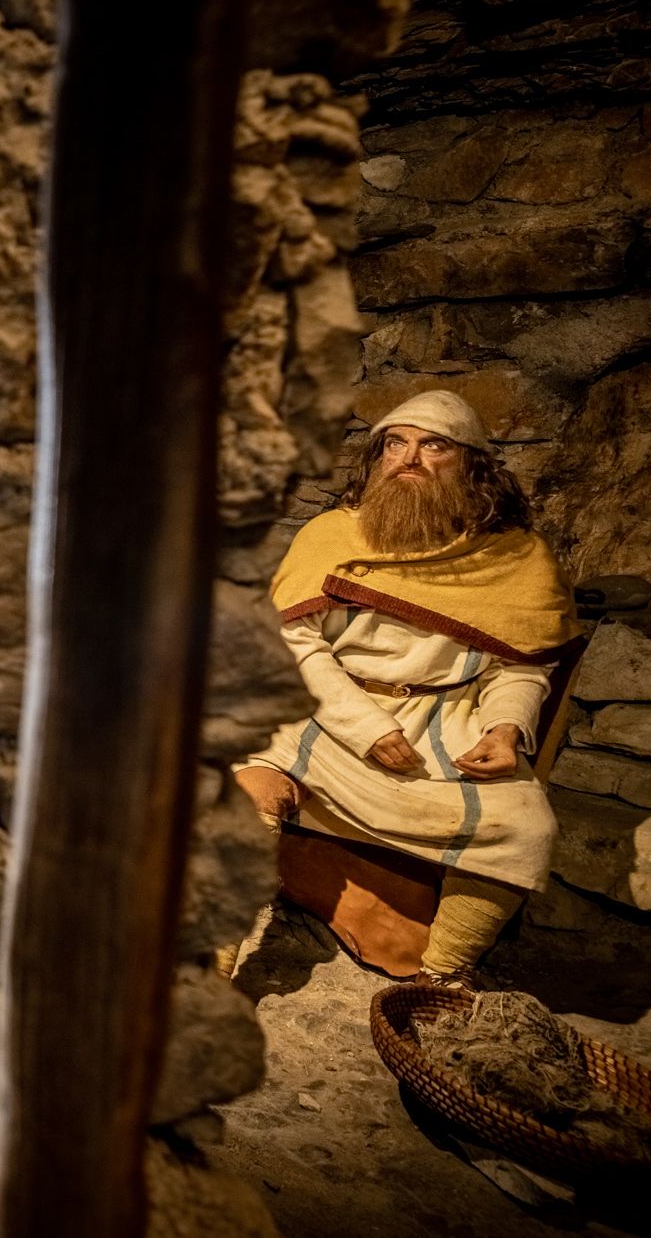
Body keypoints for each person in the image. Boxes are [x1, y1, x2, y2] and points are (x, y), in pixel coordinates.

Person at [232, 391, 576, 988]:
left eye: (433, 444)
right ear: (378, 458)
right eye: (396, 442)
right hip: (328, 707)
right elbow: (295, 643)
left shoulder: (514, 558)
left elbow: (518, 667)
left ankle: (439, 983)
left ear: (470, 464)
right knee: (241, 793)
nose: (408, 458)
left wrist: (505, 728)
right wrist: (368, 727)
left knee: (527, 828)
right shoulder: (331, 536)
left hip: (447, 720)